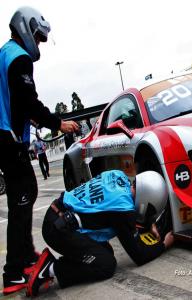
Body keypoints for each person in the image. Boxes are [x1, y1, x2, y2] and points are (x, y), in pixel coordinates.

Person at [0, 6, 79, 295]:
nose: (41, 43)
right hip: (6, 138)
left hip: (5, 135)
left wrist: (26, 116)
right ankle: (14, 272)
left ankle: (23, 256)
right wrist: (59, 123)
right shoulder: (19, 58)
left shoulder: (5, 52)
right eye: (39, 37)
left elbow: (16, 101)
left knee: (25, 193)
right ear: (27, 29)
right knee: (22, 198)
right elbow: (28, 101)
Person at [25, 170, 174, 297]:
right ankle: (50, 269)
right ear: (147, 198)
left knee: (105, 251)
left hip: (56, 215)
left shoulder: (118, 175)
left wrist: (148, 224)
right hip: (57, 230)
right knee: (106, 265)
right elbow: (139, 255)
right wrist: (163, 245)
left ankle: (56, 264)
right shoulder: (123, 209)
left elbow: (112, 212)